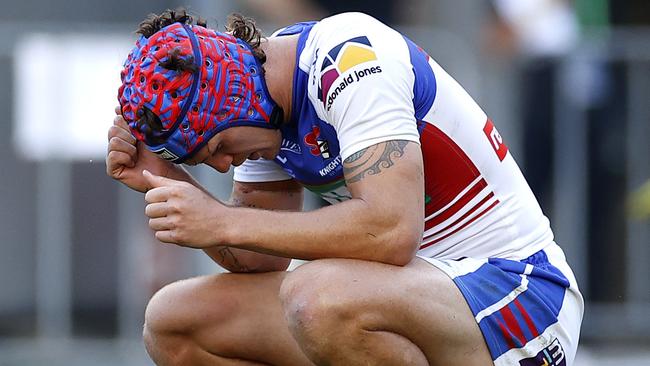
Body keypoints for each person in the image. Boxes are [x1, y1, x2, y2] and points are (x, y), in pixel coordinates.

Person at [107, 8, 583, 366]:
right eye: (203, 162)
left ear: (236, 97)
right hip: (420, 299)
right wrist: (164, 178)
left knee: (318, 298)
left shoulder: (350, 57)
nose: (223, 165)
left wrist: (221, 220)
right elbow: (257, 260)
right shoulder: (259, 106)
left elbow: (391, 231)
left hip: (520, 299)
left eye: (219, 148)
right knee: (175, 321)